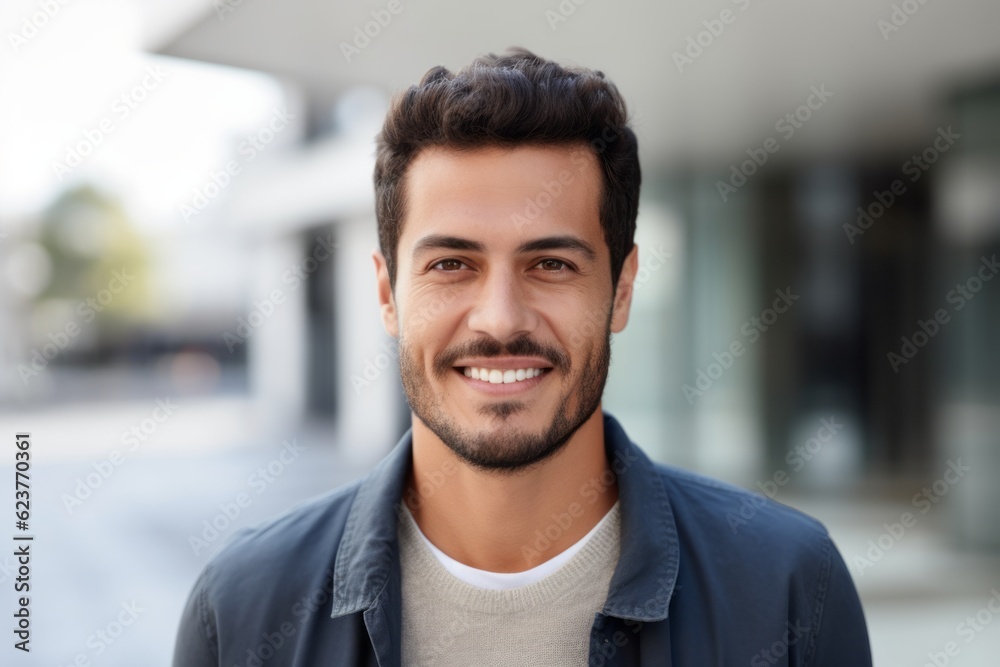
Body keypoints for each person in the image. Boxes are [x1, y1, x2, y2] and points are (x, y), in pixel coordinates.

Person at [172, 47, 872, 666]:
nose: (501, 318)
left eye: (551, 265)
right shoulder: (243, 609)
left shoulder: (786, 587)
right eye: (451, 264)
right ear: (387, 294)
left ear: (622, 290)